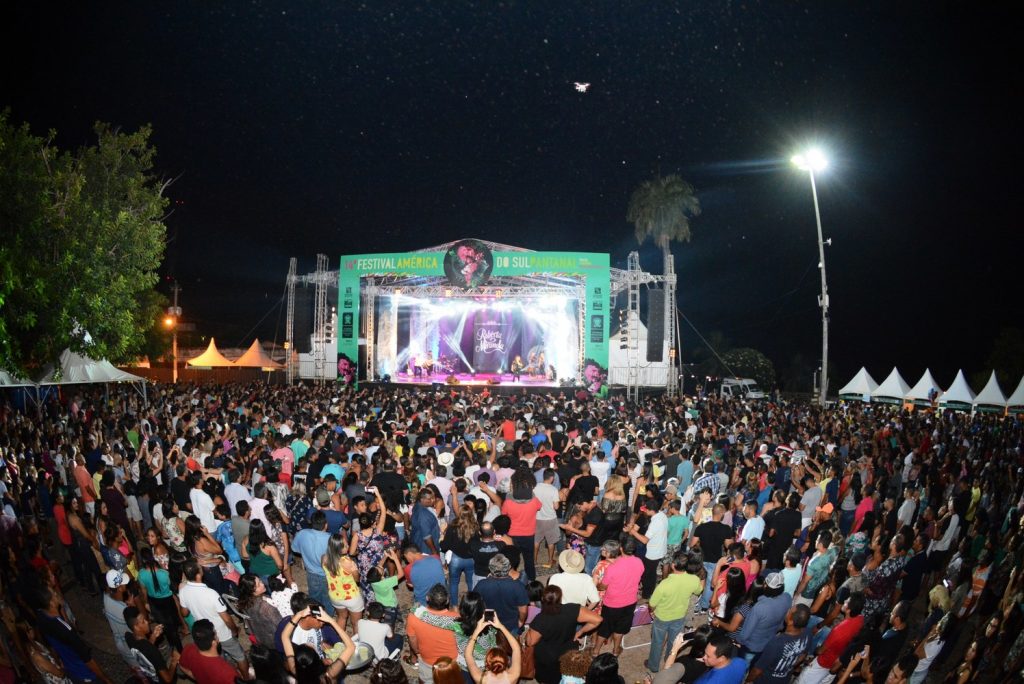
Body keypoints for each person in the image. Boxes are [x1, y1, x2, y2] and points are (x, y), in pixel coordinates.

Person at [178, 559, 250, 680]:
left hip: (206, 635)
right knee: (240, 656)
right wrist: (234, 630)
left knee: (219, 658)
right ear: (199, 574)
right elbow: (226, 618)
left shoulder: (183, 591)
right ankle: (246, 679)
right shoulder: (211, 593)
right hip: (222, 633)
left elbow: (184, 613)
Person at [36, 585, 114, 684]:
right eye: (54, 593)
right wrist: (105, 679)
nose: (57, 593)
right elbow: (87, 659)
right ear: (51, 603)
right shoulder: (67, 630)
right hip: (85, 674)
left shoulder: (41, 616)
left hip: (70, 670)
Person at [525, 584, 603, 684]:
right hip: (568, 653)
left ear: (543, 599)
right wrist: (580, 632)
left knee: (547, 679)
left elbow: (530, 642)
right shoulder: (572, 609)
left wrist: (528, 633)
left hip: (547, 657)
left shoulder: (540, 619)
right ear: (560, 598)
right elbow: (598, 619)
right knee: (567, 675)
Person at [647, 550, 703, 672]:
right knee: (674, 642)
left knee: (657, 642)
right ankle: (669, 661)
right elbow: (699, 591)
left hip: (662, 617)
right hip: (680, 616)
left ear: (673, 565)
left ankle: (653, 666)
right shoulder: (694, 579)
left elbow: (652, 604)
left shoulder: (664, 584)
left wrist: (652, 610)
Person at [797, 593, 865, 684]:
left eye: (847, 601)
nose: (844, 601)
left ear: (849, 609)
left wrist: (815, 650)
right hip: (836, 665)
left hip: (823, 663)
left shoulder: (839, 630)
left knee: (802, 681)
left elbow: (820, 651)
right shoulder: (860, 619)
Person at [592, 539, 644, 657]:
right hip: (630, 602)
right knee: (620, 628)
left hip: (612, 603)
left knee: (604, 628)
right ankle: (616, 651)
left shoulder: (614, 566)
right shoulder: (639, 562)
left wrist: (598, 585)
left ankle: (596, 651)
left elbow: (603, 586)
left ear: (621, 548)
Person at [282, 605, 357, 683]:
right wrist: (331, 621)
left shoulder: (295, 670)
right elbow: (351, 647)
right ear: (317, 660)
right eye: (310, 647)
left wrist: (299, 615)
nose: (310, 644)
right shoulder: (329, 675)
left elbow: (284, 636)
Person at [406, 584, 461, 684]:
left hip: (427, 660)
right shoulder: (457, 619)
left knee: (425, 680)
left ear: (427, 598)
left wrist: (417, 652)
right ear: (447, 600)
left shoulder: (414, 616)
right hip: (451, 662)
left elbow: (412, 639)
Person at [747, 604, 811, 684]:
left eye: (790, 610)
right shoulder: (808, 633)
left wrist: (748, 681)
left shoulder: (776, 643)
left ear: (791, 621)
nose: (788, 610)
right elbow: (803, 655)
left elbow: (757, 670)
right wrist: (789, 665)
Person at [736, 572, 793, 663]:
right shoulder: (787, 598)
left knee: (744, 666)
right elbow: (781, 625)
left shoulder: (759, 607)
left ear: (765, 586)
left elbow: (745, 633)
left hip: (751, 647)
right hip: (768, 643)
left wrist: (738, 641)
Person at [474, 553, 530, 634]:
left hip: (489, 624)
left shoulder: (481, 585)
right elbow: (523, 610)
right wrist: (521, 621)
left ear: (490, 568)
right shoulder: (518, 586)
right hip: (511, 626)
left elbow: (475, 605)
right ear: (509, 568)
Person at [123, 606, 180, 684]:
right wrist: (174, 660)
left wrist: (153, 636)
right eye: (143, 621)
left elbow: (144, 649)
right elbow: (168, 679)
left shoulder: (128, 637)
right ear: (136, 627)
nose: (147, 622)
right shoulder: (152, 650)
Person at [293, 509, 335, 615]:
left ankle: (316, 616)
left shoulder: (302, 533)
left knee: (314, 598)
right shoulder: (330, 539)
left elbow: (295, 549)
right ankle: (328, 618)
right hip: (327, 575)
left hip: (311, 574)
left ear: (311, 522)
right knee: (328, 598)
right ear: (326, 525)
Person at [322, 532, 364, 632]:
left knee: (341, 617)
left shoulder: (324, 558)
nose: (348, 546)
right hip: (352, 597)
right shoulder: (348, 562)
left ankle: (339, 639)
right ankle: (356, 641)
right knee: (356, 624)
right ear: (338, 549)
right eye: (345, 545)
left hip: (335, 596)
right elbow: (357, 579)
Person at [464, 613, 522, 684]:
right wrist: (501, 626)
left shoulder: (480, 678)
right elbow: (516, 649)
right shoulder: (513, 676)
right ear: (507, 661)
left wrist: (477, 630)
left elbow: (468, 655)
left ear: (486, 663)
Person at [178, 619, 240, 684]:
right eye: (216, 633)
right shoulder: (229, 673)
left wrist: (198, 678)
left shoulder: (188, 649)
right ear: (214, 643)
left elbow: (182, 667)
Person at [236, 573, 284, 647]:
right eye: (258, 585)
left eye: (260, 581)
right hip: (275, 639)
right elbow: (281, 624)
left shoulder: (244, 601)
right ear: (251, 591)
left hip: (259, 636)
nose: (263, 584)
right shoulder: (266, 606)